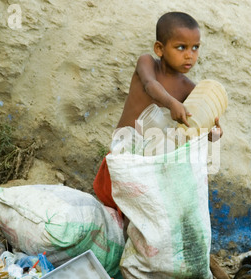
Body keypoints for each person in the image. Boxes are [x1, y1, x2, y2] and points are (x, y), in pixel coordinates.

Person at [93, 12, 223, 218]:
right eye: (181, 47)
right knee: (113, 216)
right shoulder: (147, 64)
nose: (190, 55)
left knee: (143, 222)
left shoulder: (190, 90)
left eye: (195, 47)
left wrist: (212, 133)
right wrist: (172, 103)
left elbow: (194, 130)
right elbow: (150, 85)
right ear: (159, 49)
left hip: (151, 169)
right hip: (123, 158)